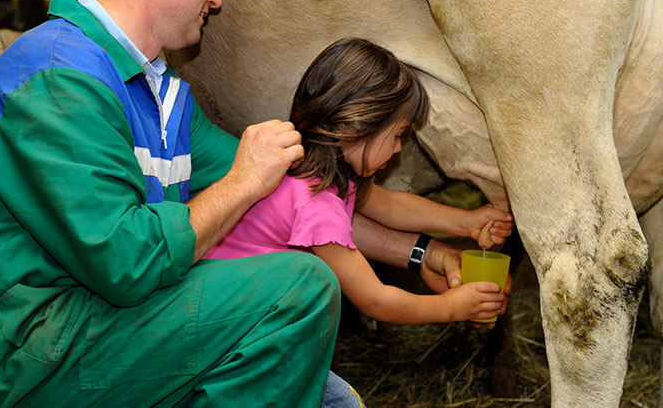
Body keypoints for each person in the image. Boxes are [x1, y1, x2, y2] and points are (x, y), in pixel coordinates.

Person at [0, 0, 498, 407]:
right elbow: (128, 264)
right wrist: (243, 179)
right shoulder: (58, 81)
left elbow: (303, 196)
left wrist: (425, 250)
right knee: (297, 291)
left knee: (333, 399)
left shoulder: (161, 94)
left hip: (88, 323)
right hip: (14, 351)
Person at [205, 37, 514, 327]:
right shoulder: (317, 206)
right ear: (358, 125)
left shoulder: (310, 171)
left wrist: (468, 222)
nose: (397, 150)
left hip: (228, 294)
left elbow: (392, 205)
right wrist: (451, 307)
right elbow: (376, 300)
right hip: (228, 317)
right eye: (396, 135)